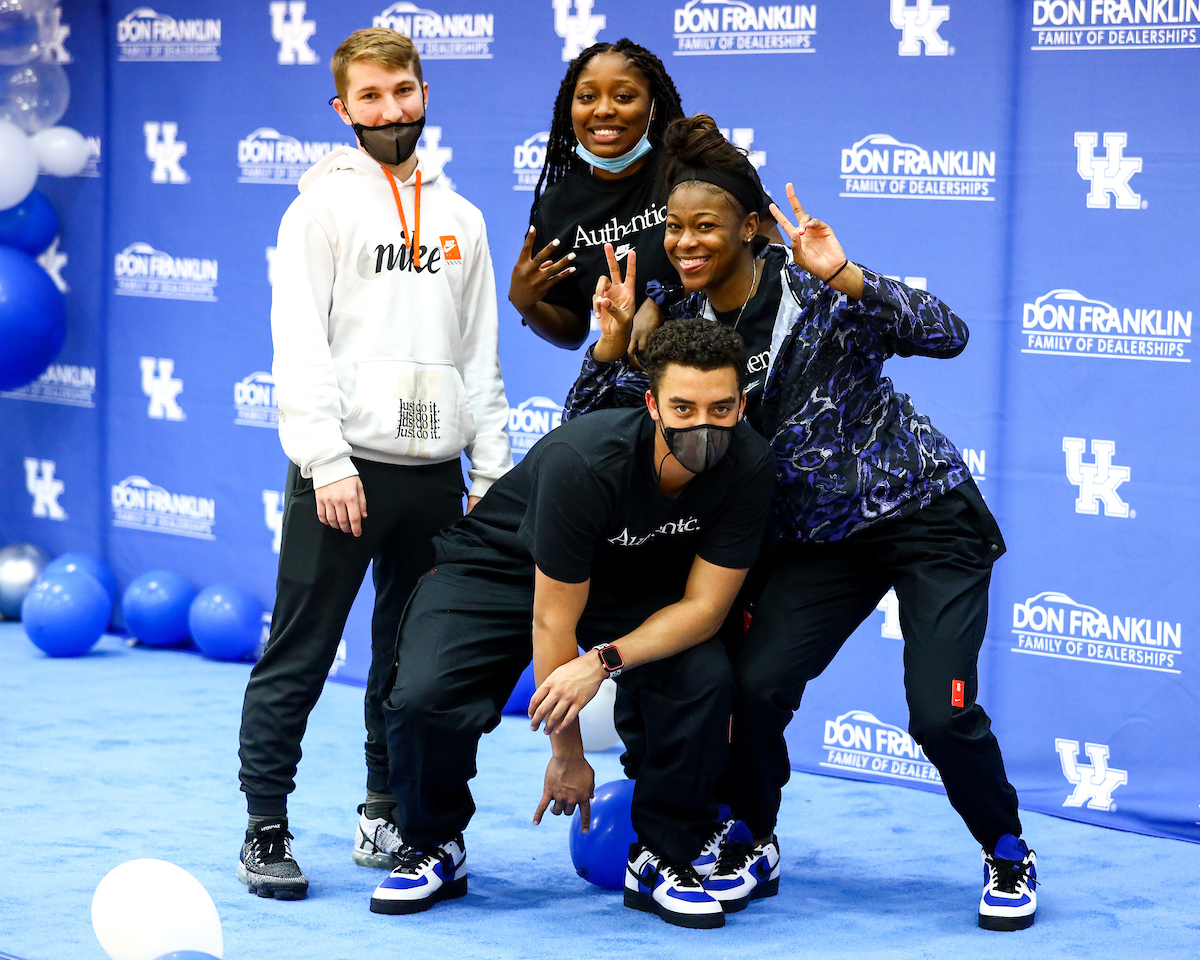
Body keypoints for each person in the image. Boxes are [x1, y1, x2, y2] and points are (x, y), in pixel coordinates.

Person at [565, 115, 1039, 932]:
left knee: (940, 711)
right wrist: (609, 348)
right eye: (674, 227)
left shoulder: (816, 285)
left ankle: (1006, 850)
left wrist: (850, 273)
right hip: (819, 544)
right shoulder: (672, 315)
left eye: (705, 226)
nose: (685, 242)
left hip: (926, 519)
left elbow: (950, 334)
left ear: (750, 228)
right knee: (752, 686)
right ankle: (754, 835)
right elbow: (591, 428)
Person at [369, 317, 776, 930]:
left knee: (704, 681)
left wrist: (605, 660)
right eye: (683, 407)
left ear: (741, 403)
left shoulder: (749, 465)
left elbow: (704, 609)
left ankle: (663, 854)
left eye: (721, 408)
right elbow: (553, 616)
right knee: (426, 697)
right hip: (504, 569)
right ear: (651, 403)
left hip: (632, 580)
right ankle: (432, 843)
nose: (703, 425)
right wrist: (568, 754)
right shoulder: (584, 461)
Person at [235, 28, 511, 901]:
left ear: (424, 94)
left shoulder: (463, 218)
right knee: (302, 650)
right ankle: (266, 825)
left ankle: (384, 809)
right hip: (344, 470)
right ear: (342, 109)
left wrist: (492, 473)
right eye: (370, 97)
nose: (390, 110)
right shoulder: (318, 210)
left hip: (434, 475)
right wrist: (326, 460)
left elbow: (480, 358)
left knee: (403, 659)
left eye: (403, 92)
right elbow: (299, 345)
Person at [509, 39, 778, 353]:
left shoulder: (697, 165)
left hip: (737, 357)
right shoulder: (557, 206)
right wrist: (527, 304)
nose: (604, 109)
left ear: (652, 107)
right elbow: (573, 331)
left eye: (623, 96)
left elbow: (771, 256)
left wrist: (663, 300)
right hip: (636, 380)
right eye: (586, 97)